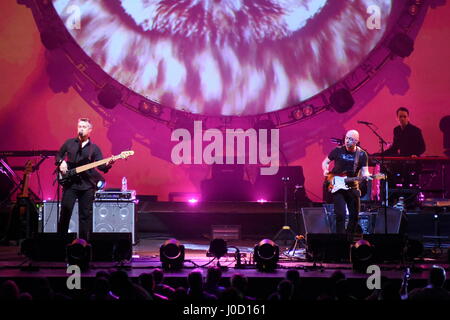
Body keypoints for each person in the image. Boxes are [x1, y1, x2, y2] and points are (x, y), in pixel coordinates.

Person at [56, 118, 114, 240]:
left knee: (85, 216)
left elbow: (101, 166)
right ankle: (60, 242)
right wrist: (61, 162)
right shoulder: (69, 143)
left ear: (90, 130)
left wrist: (109, 163)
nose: (81, 129)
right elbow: (58, 155)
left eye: (84, 127)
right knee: (65, 214)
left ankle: (84, 244)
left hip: (87, 186)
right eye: (79, 126)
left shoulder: (94, 148)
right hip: (70, 184)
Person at [322, 130, 371, 235]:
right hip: (337, 186)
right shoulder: (337, 150)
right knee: (341, 215)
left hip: (352, 187)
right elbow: (325, 162)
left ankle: (349, 239)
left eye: (351, 139)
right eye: (347, 138)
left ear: (357, 141)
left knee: (354, 216)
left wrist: (366, 176)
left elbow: (365, 172)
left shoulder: (362, 154)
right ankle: (341, 240)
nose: (348, 141)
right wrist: (325, 170)